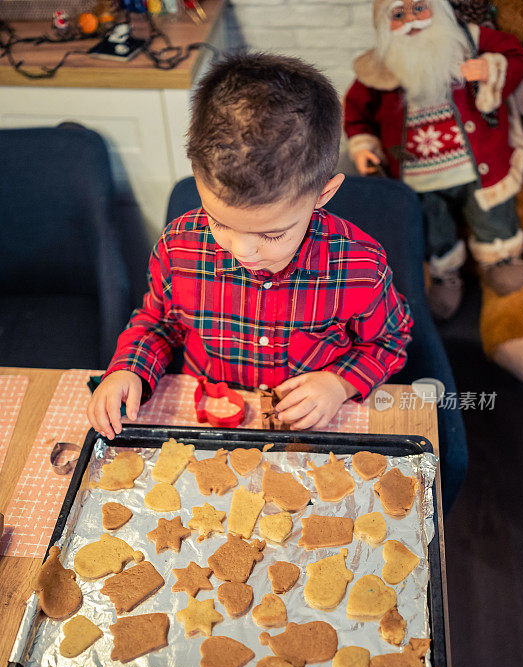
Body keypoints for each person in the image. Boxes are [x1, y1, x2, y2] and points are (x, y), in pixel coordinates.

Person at [87, 53, 413, 438]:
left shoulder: (361, 267)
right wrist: (129, 368)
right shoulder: (177, 247)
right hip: (210, 420)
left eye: (273, 234)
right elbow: (159, 322)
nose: (242, 251)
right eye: (220, 222)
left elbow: (390, 340)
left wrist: (338, 384)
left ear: (323, 194)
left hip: (306, 427)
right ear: (198, 175)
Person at [344, 0, 523, 319]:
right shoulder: (380, 66)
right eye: (398, 15)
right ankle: (445, 275)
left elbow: (517, 55)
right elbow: (357, 112)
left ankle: (500, 261)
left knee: (492, 215)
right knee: (434, 228)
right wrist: (364, 146)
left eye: (420, 8)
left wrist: (490, 68)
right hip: (418, 177)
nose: (412, 21)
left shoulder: (470, 40)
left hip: (479, 167)